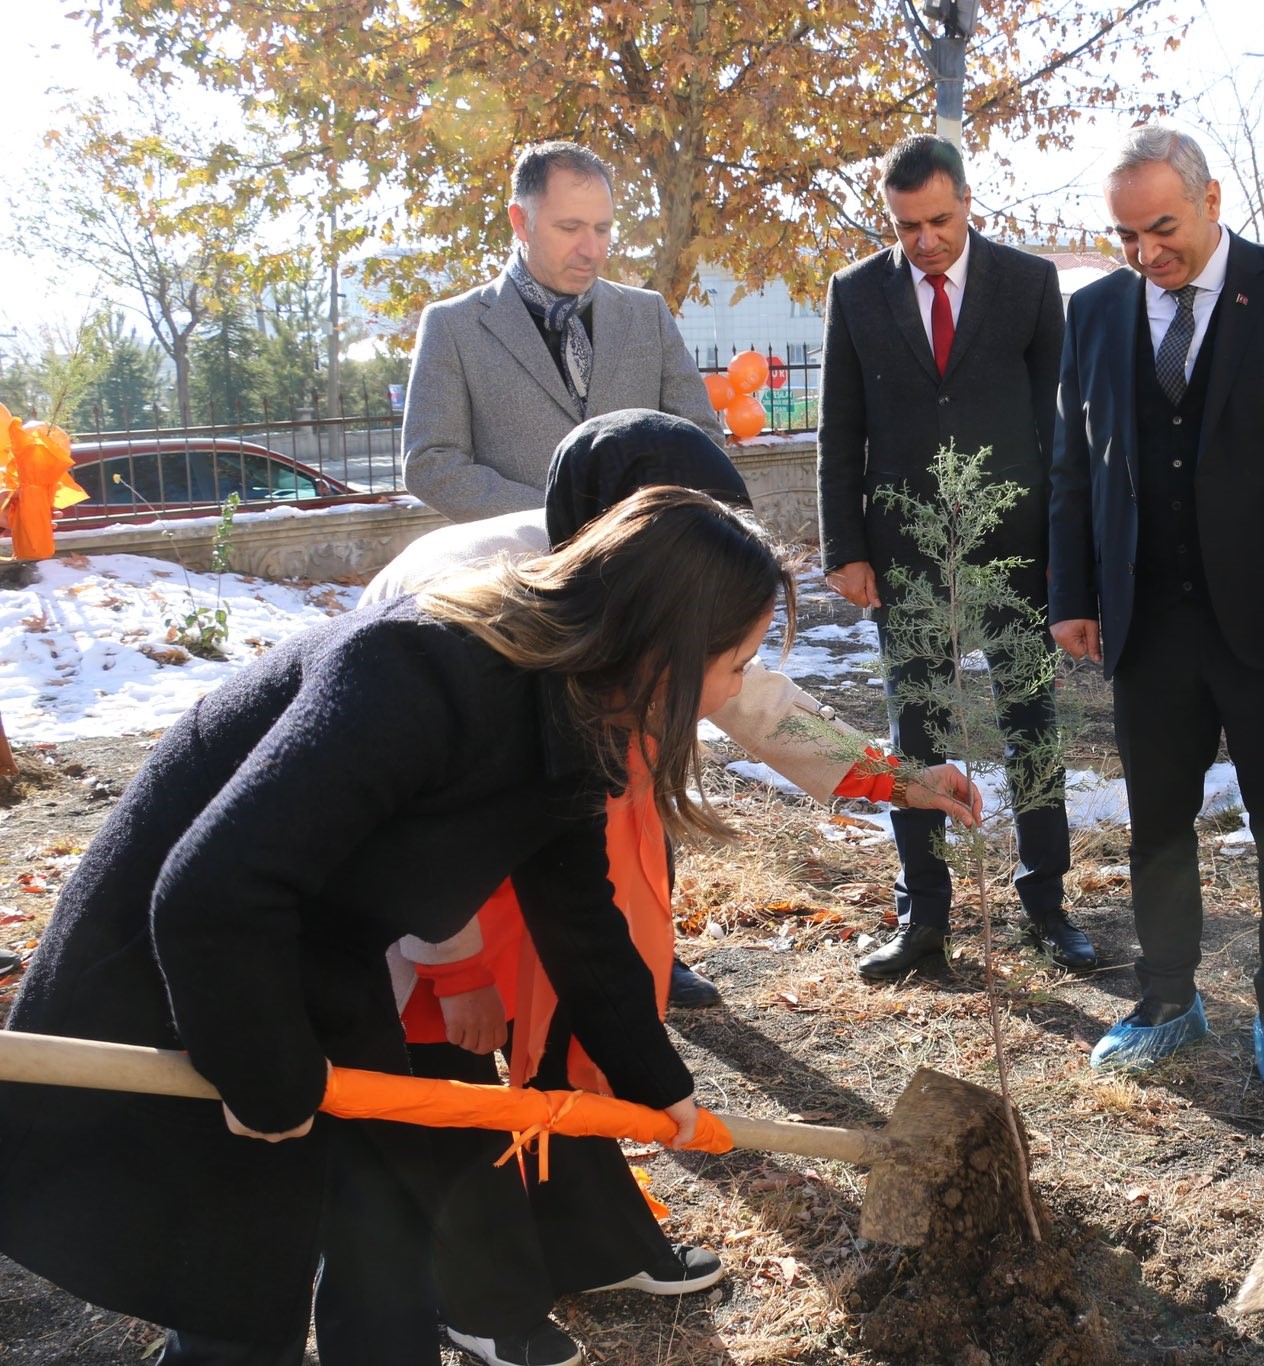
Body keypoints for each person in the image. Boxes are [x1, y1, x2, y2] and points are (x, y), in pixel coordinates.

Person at [0, 488, 783, 1364]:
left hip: (318, 955)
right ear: (665, 647)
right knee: (236, 1282)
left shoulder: (571, 714)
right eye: (738, 660)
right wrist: (265, 1080)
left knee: (388, 1222)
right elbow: (209, 891)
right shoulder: (418, 668)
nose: (737, 688)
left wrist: (654, 1081)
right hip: (184, 977)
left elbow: (578, 916)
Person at [365, 409, 979, 1366]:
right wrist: (452, 971)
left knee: (579, 994)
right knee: (453, 1063)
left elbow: (748, 695)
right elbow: (404, 828)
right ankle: (475, 1292)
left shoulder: (653, 587)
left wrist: (898, 778)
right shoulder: (476, 606)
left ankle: (589, 1242)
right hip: (435, 874)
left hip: (559, 826)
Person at [1048, 126, 1264, 1091]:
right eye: (1127, 236)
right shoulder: (1097, 312)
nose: (1148, 254)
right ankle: (1167, 995)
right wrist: (1071, 593)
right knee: (1156, 823)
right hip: (1144, 619)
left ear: (1211, 198)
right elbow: (1074, 463)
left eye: (1163, 228)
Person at [816, 135, 1094, 980]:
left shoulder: (1028, 283)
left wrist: (1062, 552)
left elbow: (1061, 430)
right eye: (907, 227)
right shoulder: (857, 293)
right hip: (903, 558)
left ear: (967, 202)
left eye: (938, 220)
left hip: (1015, 552)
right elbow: (841, 430)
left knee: (1030, 729)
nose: (925, 240)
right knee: (916, 736)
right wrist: (846, 548)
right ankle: (922, 918)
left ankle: (1046, 906)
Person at [402, 140, 721, 522]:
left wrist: (639, 521)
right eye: (570, 228)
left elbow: (701, 438)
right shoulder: (453, 325)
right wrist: (559, 517)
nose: (591, 249)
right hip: (521, 570)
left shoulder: (646, 312)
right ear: (521, 222)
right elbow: (431, 464)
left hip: (642, 566)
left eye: (602, 229)